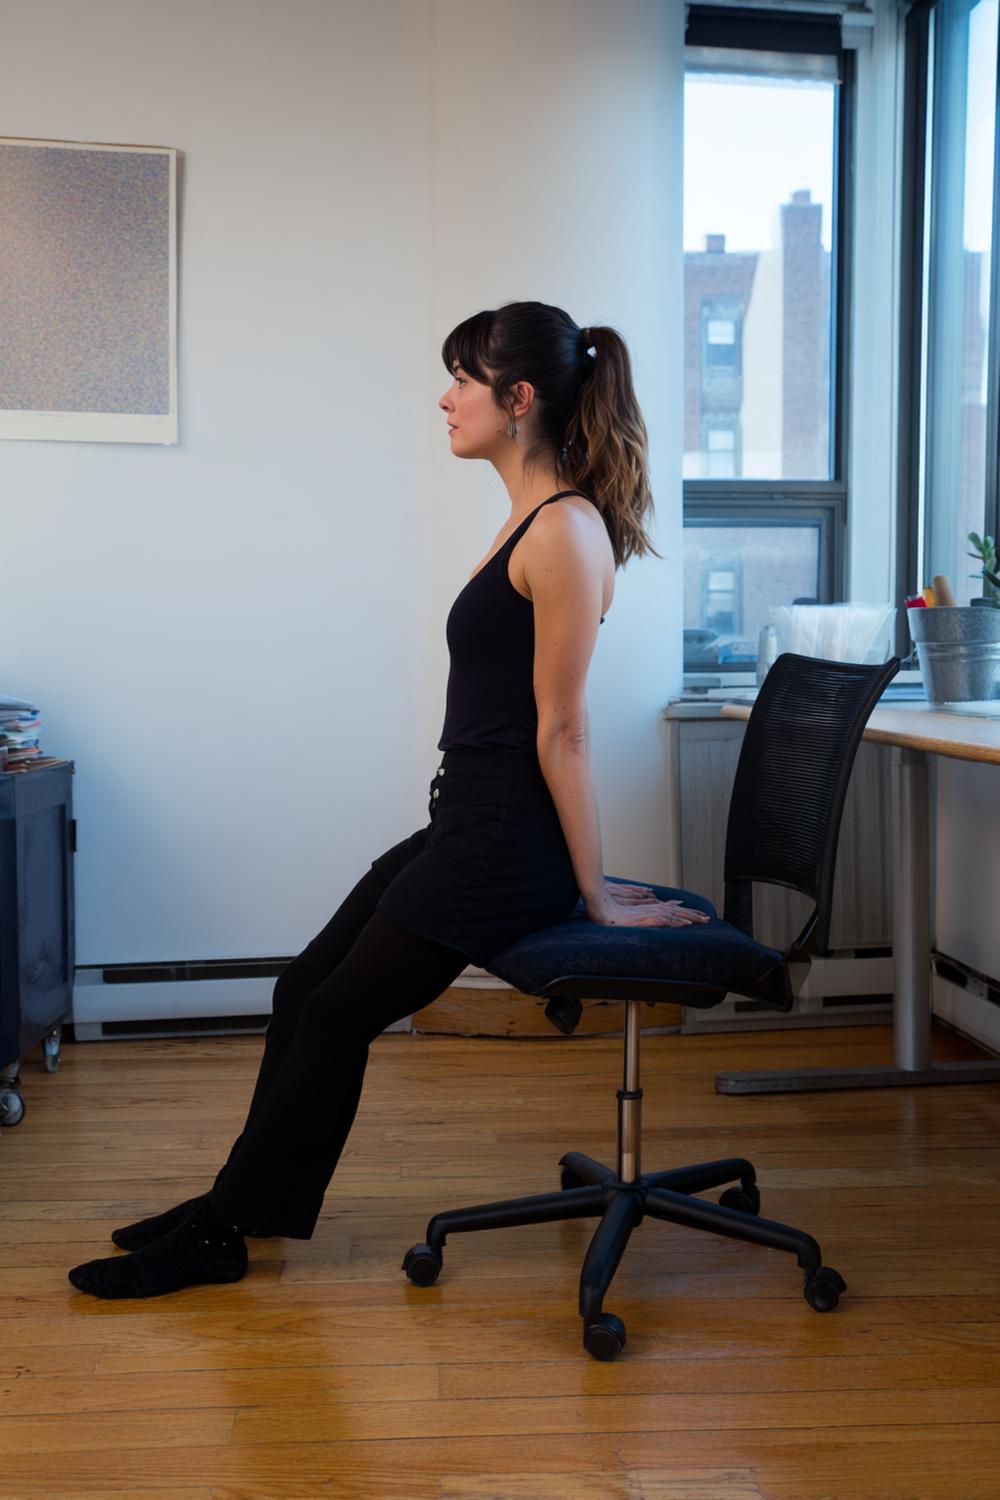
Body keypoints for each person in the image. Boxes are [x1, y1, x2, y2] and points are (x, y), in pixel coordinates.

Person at [67, 300, 710, 1300]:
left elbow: (565, 731)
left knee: (335, 1016)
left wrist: (595, 895)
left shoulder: (565, 531)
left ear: (518, 398)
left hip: (501, 846)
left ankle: (222, 1233)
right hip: (468, 822)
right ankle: (240, 1206)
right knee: (303, 992)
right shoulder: (531, 522)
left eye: (462, 379)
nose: (445, 398)